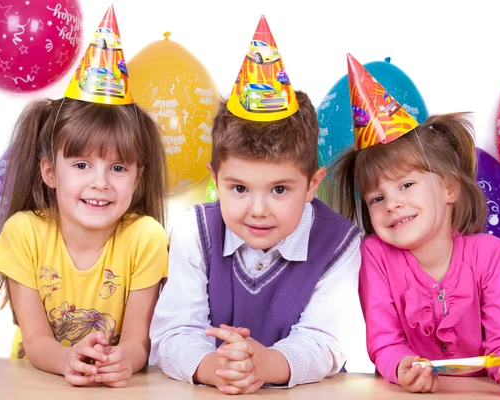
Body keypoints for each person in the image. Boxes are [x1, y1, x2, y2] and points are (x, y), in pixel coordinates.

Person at [149, 16, 362, 395]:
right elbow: (174, 331)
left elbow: (325, 340)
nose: (258, 209)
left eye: (279, 190)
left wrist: (265, 364)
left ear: (313, 184)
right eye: (239, 189)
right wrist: (216, 367)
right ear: (215, 180)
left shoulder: (340, 243)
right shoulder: (194, 232)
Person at [331, 54, 500, 396]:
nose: (391, 203)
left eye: (406, 185)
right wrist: (401, 367)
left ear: (449, 188)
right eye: (376, 198)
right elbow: (384, 340)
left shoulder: (489, 255)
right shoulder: (375, 254)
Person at [0, 6, 168, 388]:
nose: (100, 182)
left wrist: (125, 361)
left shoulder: (145, 238)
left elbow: (138, 339)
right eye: (82, 165)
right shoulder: (24, 233)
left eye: (118, 168)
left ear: (137, 179)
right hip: (37, 385)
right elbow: (35, 339)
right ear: (50, 172)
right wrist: (68, 358)